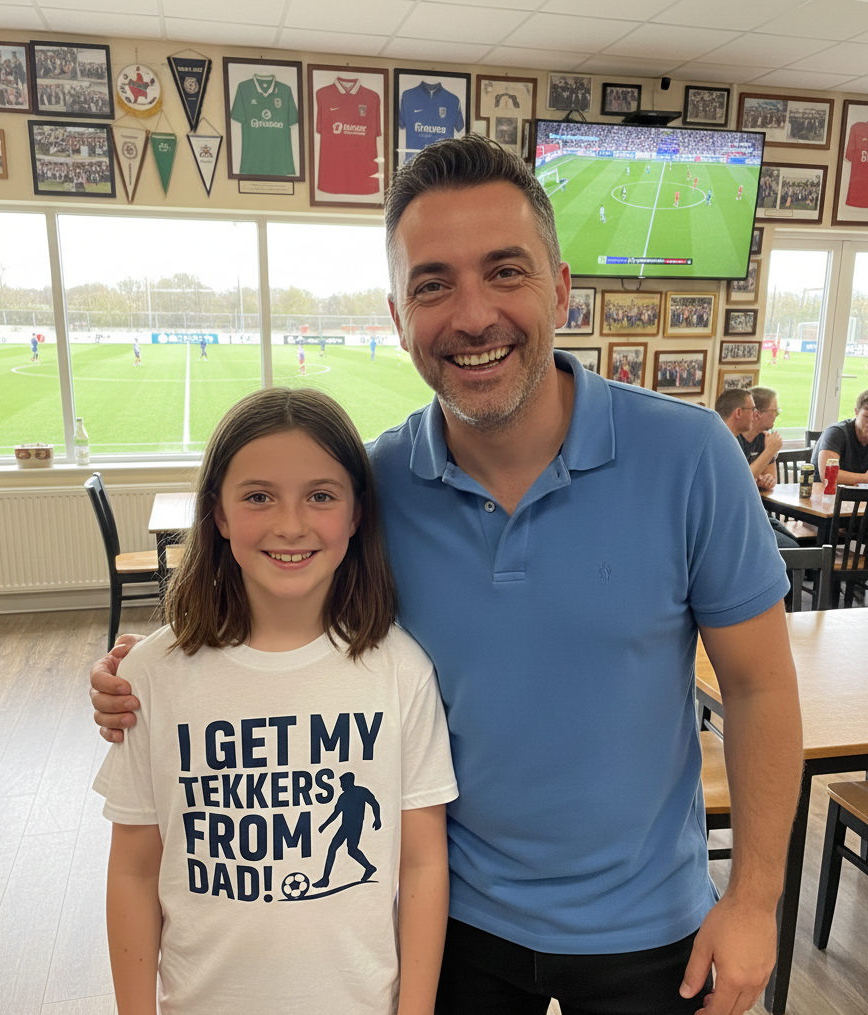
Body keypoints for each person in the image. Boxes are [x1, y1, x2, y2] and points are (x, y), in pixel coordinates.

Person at [90, 135, 802, 1015]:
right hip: (445, 923)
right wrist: (139, 675)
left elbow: (761, 687)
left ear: (561, 288)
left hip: (651, 928)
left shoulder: (691, 455)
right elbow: (264, 624)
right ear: (398, 317)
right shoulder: (371, 488)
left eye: (506, 271)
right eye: (433, 284)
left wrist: (756, 900)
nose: (472, 315)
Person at [93, 386, 457, 1015]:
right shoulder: (152, 675)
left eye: (320, 495)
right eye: (259, 496)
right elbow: (132, 869)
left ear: (356, 514)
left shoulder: (401, 672)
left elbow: (423, 863)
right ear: (219, 515)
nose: (291, 525)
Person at [715, 387, 798, 549]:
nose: (755, 414)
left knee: (794, 543)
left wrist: (765, 479)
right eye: (752, 409)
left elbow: (769, 478)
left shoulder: (763, 437)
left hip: (755, 511)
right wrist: (770, 451)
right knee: (790, 548)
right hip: (736, 517)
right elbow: (742, 481)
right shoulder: (727, 439)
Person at [811, 388, 868, 484]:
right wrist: (865, 479)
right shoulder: (836, 433)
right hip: (824, 494)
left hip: (859, 496)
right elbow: (828, 475)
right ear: (856, 412)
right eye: (867, 417)